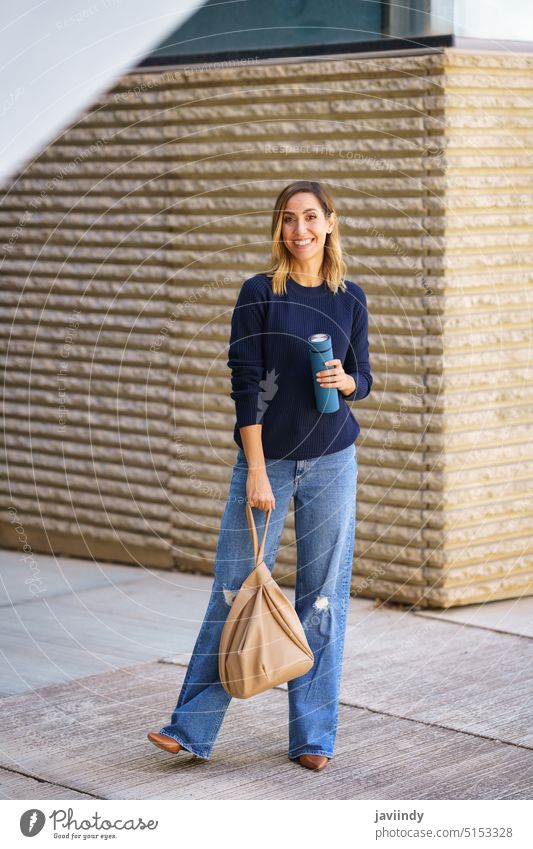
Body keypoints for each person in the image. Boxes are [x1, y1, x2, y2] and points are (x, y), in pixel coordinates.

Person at [147, 179, 373, 771]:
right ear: (279, 229)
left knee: (322, 600)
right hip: (266, 461)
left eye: (310, 218)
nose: (299, 230)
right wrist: (254, 469)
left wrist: (348, 384)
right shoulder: (258, 293)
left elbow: (364, 377)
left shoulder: (351, 297)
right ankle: (190, 729)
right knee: (234, 590)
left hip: (333, 459)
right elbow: (244, 387)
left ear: (330, 223)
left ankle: (313, 737)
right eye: (288, 219)